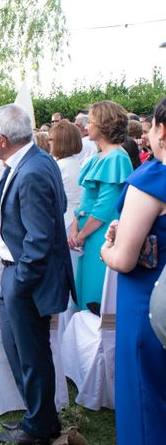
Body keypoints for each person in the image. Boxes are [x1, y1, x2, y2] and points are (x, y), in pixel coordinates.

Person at [0, 104, 73, 445]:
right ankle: (41, 417)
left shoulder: (35, 168)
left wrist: (20, 280)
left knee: (32, 354)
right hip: (17, 272)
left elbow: (39, 237)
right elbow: (59, 206)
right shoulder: (33, 160)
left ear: (2, 140)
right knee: (18, 349)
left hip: (25, 276)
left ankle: (38, 430)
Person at [100, 97, 166, 445]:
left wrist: (107, 248)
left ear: (161, 130)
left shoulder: (154, 176)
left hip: (149, 302)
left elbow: (124, 260)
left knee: (145, 399)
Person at [69, 100, 133, 310]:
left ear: (104, 125)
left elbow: (104, 208)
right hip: (89, 233)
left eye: (92, 121)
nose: (87, 126)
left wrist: (81, 234)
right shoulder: (99, 157)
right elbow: (86, 200)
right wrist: (76, 225)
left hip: (101, 234)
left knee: (95, 296)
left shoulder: (116, 158)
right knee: (85, 291)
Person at [49, 120, 82, 228]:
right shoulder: (73, 162)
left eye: (51, 139)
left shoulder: (60, 166)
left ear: (61, 142)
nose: (49, 142)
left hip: (64, 221)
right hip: (71, 219)